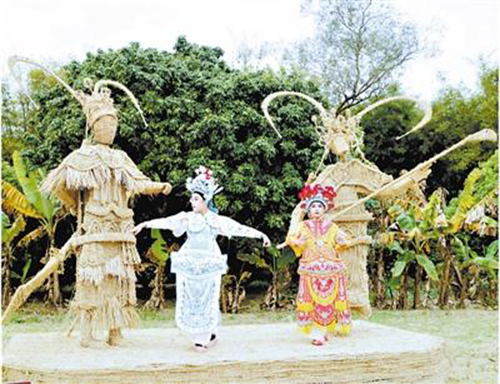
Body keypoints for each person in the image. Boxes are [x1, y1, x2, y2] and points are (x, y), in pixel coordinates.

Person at [41, 80, 172, 347]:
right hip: (95, 227)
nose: (109, 130)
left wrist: (159, 187)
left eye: (112, 126)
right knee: (91, 279)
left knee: (121, 281)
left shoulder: (121, 158)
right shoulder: (81, 157)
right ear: (92, 127)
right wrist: (74, 205)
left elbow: (138, 183)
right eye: (103, 125)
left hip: (120, 228)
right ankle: (86, 331)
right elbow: (59, 184)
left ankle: (115, 330)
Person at [134, 166, 271, 352]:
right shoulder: (187, 218)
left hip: (209, 262)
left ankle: (204, 337)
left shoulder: (215, 220)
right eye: (192, 198)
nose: (192, 202)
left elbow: (238, 228)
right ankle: (203, 335)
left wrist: (261, 235)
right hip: (189, 261)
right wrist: (145, 224)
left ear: (205, 200)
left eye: (196, 199)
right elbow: (167, 222)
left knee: (208, 297)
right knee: (191, 298)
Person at [279, 183, 351, 346]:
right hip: (311, 270)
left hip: (331, 269)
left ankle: (324, 331)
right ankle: (317, 333)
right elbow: (292, 239)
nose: (317, 209)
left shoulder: (332, 226)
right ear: (308, 210)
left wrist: (343, 241)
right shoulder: (303, 226)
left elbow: (344, 240)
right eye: (314, 207)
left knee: (329, 302)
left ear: (325, 209)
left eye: (320, 206)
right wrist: (298, 241)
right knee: (313, 302)